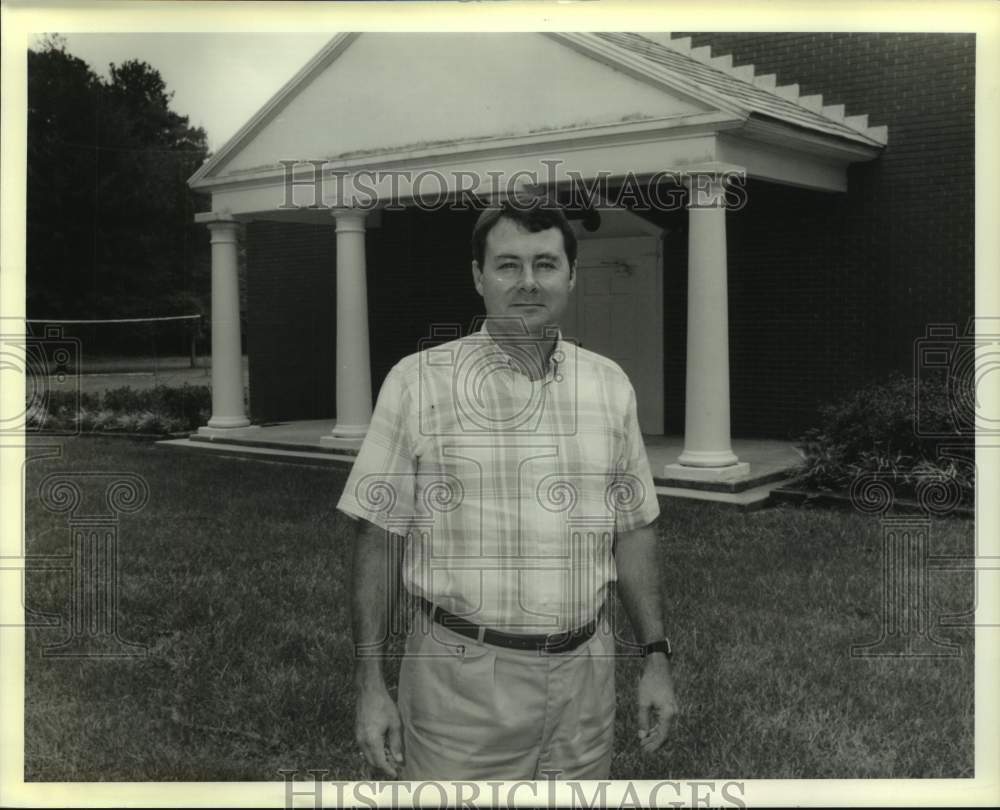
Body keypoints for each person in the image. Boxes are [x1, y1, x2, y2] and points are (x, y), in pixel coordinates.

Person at [336, 199, 677, 781]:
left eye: (545, 264)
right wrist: (370, 683)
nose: (527, 283)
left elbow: (634, 529)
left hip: (585, 685)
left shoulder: (610, 385)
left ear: (571, 275)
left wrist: (655, 657)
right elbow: (377, 537)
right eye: (507, 265)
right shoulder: (417, 383)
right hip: (459, 685)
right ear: (478, 277)